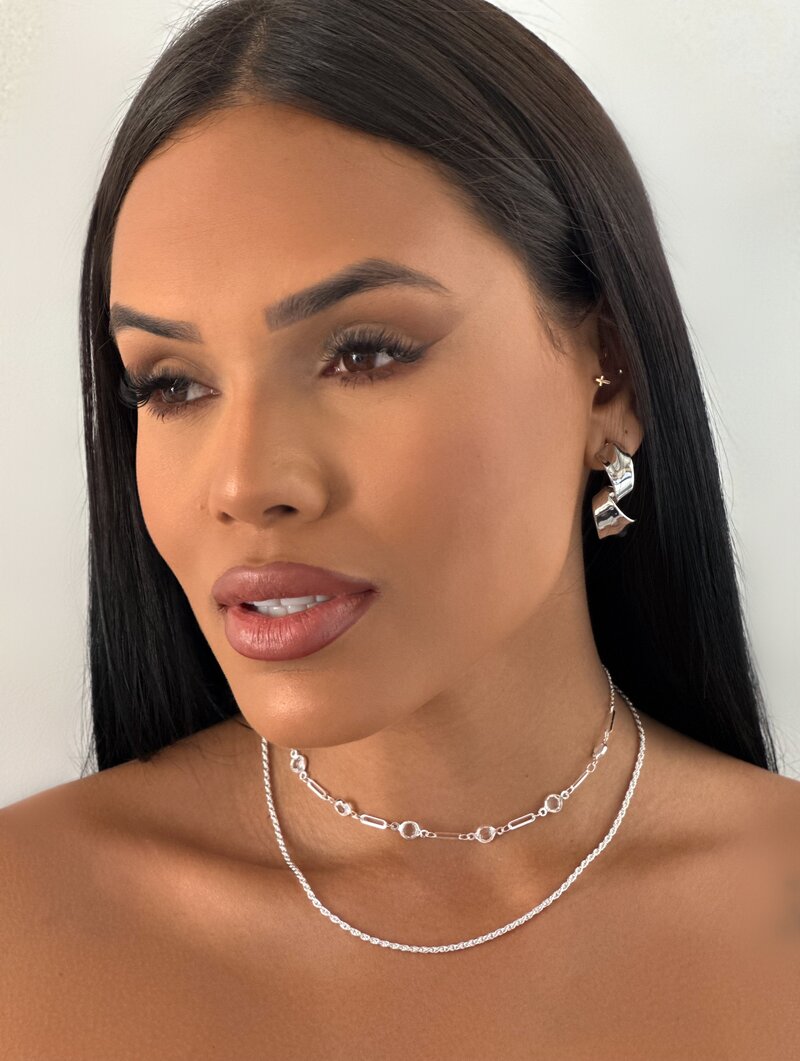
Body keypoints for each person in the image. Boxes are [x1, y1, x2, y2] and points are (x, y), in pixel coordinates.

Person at [2, 0, 798, 1056]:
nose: (244, 483)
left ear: (607, 373)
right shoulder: (24, 919)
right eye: (172, 384)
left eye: (365, 352)